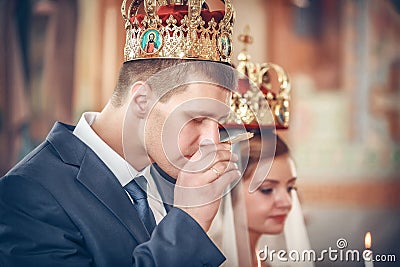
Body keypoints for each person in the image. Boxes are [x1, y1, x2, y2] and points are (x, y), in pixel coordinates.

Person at [0, 1, 239, 266]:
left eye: (218, 123)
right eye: (196, 118)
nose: (212, 141)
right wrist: (189, 222)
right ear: (142, 101)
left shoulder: (170, 177)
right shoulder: (27, 194)